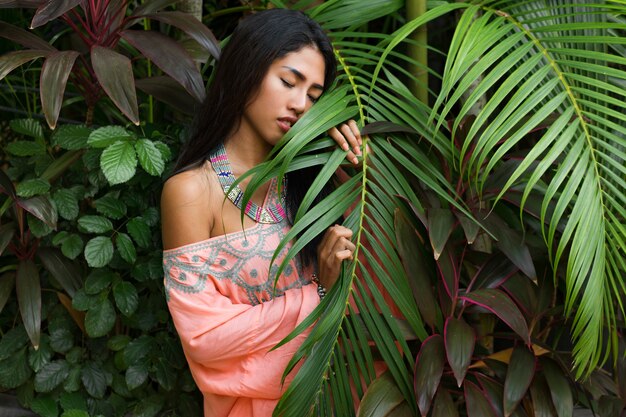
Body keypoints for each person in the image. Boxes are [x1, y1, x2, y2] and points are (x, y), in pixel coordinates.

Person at [161, 9, 362, 417]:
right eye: (288, 82)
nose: (299, 104)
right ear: (247, 69)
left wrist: (353, 171)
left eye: (314, 96)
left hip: (339, 397)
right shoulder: (191, 193)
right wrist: (316, 292)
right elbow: (205, 339)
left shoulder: (316, 182)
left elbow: (379, 293)